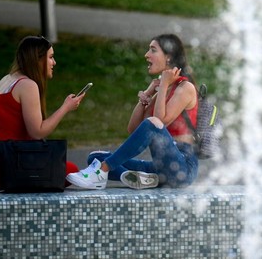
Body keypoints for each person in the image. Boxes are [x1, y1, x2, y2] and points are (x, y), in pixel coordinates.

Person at [66, 34, 199, 190]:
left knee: (152, 124)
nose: (146, 55)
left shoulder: (185, 88)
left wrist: (162, 85)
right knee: (95, 157)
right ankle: (147, 179)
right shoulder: (165, 89)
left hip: (182, 169)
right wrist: (147, 95)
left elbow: (158, 122)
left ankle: (102, 171)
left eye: (153, 50)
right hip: (160, 169)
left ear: (168, 57)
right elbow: (134, 129)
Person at [0, 35, 85, 191]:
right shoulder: (27, 85)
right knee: (71, 171)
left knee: (62, 168)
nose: (54, 63)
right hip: (1, 167)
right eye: (50, 57)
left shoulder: (8, 79)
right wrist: (65, 107)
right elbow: (37, 132)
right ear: (37, 60)